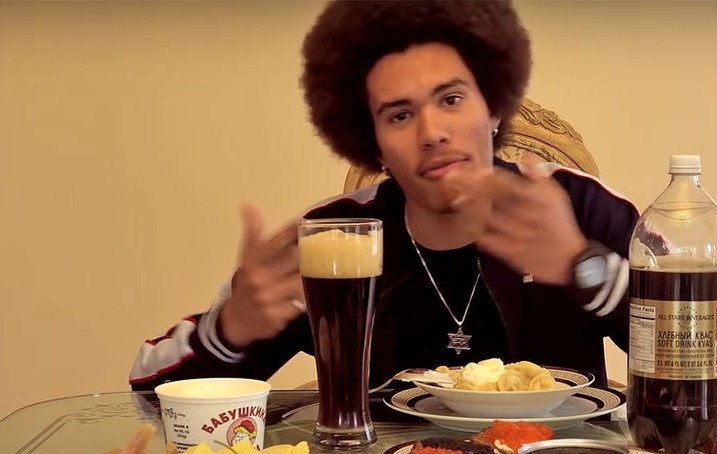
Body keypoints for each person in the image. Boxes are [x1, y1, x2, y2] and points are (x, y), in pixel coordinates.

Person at [129, 0, 652, 393]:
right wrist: (230, 330)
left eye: (451, 99)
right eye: (399, 115)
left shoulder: (582, 207)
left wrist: (585, 270)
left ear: (494, 109)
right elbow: (149, 391)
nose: (432, 132)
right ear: (372, 145)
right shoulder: (330, 238)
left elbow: (708, 359)